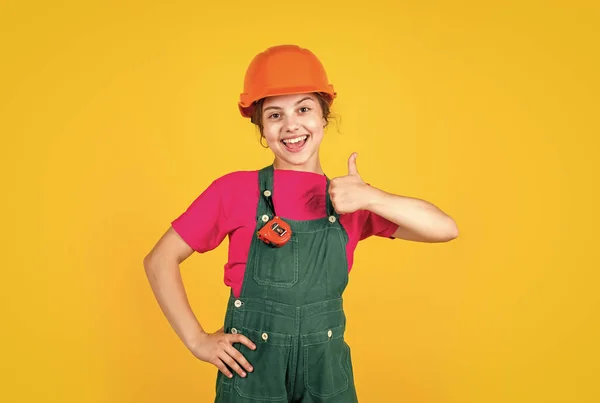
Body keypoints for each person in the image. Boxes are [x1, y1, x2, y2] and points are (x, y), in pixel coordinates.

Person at [143, 44, 459, 402]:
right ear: (261, 126)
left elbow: (445, 229)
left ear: (324, 116)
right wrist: (196, 339)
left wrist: (373, 197)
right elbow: (159, 260)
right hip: (252, 374)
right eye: (275, 115)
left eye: (304, 109)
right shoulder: (233, 191)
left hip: (326, 374)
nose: (291, 125)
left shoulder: (351, 199)